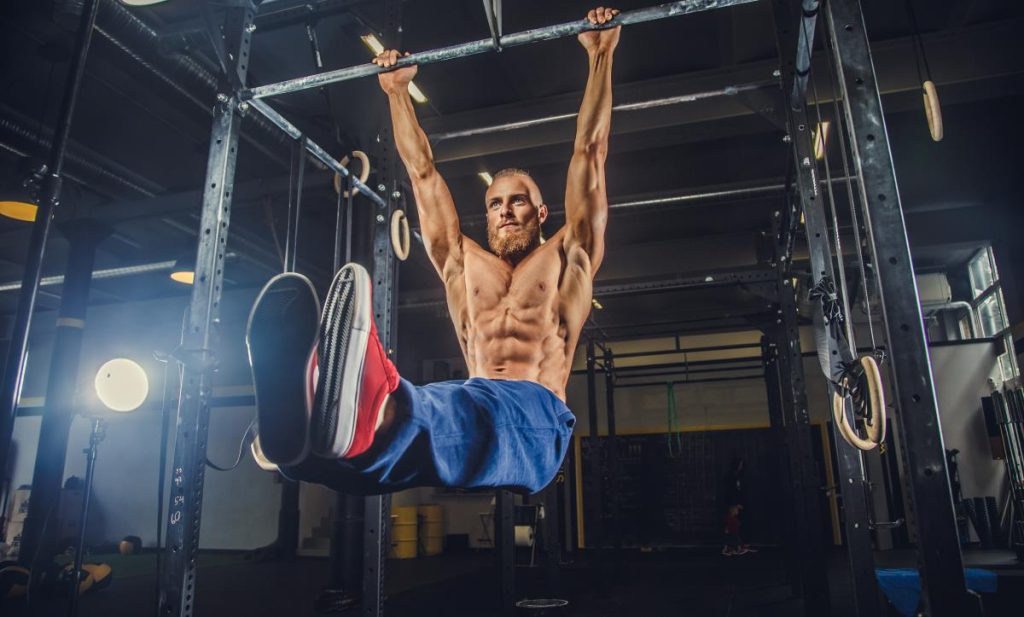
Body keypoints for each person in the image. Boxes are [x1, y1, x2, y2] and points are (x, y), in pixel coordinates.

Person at [245, 8, 622, 495]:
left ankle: (373, 403)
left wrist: (601, 54)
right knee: (397, 433)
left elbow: (590, 150)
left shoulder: (571, 253)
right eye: (495, 204)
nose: (505, 211)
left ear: (541, 212)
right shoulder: (461, 262)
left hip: (538, 417)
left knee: (436, 415)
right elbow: (421, 174)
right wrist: (397, 92)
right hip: (471, 400)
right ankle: (306, 445)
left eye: (518, 201)